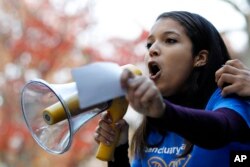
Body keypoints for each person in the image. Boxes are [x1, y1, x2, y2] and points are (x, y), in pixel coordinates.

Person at [94, 11, 250, 167]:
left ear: (200, 58)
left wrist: (163, 112)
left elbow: (219, 130)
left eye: (170, 40)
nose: (152, 50)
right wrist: (118, 150)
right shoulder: (153, 126)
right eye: (149, 44)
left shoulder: (228, 98)